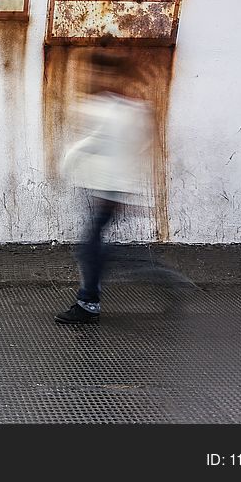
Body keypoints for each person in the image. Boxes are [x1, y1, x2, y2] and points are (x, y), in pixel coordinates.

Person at [55, 51, 153, 325]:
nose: (94, 77)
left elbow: (92, 143)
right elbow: (136, 145)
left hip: (107, 190)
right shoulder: (128, 108)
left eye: (99, 72)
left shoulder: (107, 108)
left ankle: (89, 303)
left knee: (90, 249)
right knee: (93, 245)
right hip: (106, 187)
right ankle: (132, 271)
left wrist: (66, 163)